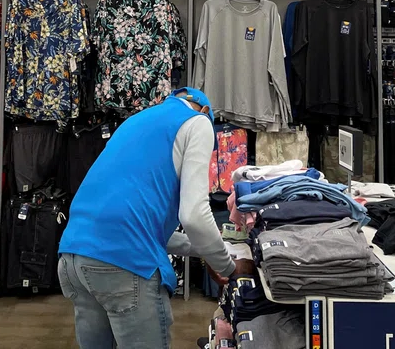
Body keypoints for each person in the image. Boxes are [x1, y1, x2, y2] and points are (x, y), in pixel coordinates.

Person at [58, 88, 254, 348]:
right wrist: (229, 266)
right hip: (124, 263)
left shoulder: (136, 121)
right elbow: (194, 215)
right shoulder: (198, 122)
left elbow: (141, 226)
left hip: (73, 257)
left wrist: (207, 250)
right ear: (206, 111)